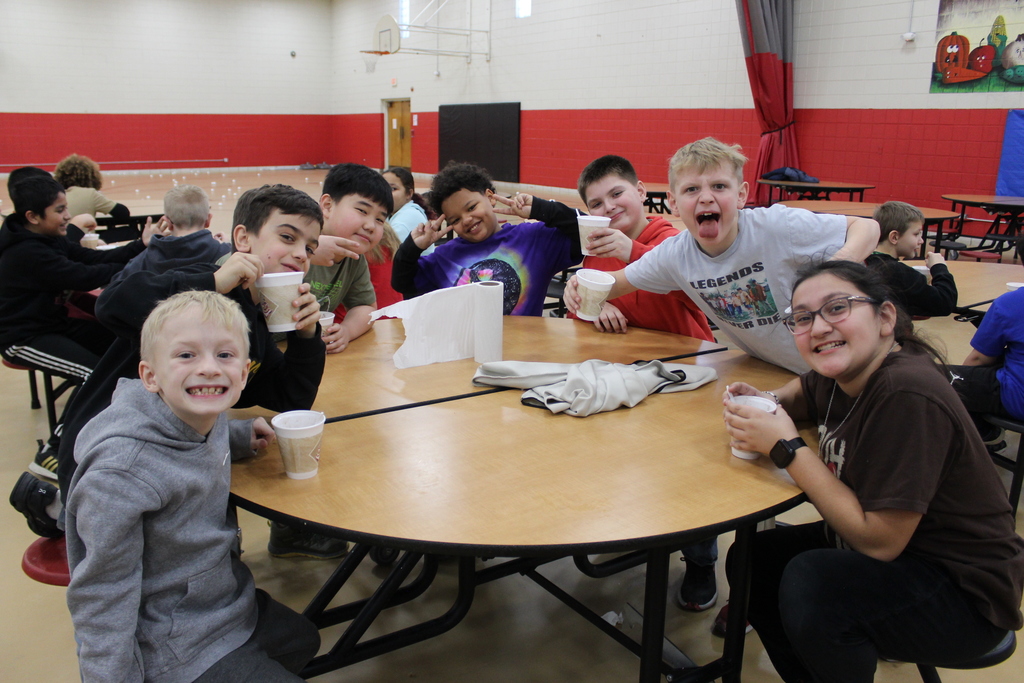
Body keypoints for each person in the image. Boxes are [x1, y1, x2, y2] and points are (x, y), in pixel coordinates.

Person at [721, 260, 1024, 683]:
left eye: (837, 308)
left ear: (885, 318)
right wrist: (768, 401)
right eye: (803, 318)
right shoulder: (847, 370)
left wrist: (787, 447)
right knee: (753, 559)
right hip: (908, 555)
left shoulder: (907, 392)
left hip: (964, 593)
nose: (820, 327)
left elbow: (879, 542)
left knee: (814, 586)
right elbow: (804, 392)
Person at [65, 290, 320, 682]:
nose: (209, 369)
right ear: (150, 376)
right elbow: (103, 596)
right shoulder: (120, 476)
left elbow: (199, 437)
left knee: (303, 639)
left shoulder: (198, 410)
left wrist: (237, 436)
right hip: (175, 644)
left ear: (244, 370)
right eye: (186, 355)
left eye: (225, 355)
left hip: (220, 600)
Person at [564, 137, 879, 374]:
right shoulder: (675, 256)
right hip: (782, 372)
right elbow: (610, 283)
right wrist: (577, 286)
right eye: (691, 190)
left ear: (741, 194)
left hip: (857, 366)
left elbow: (867, 228)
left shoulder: (777, 225)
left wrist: (841, 267)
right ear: (673, 202)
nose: (705, 198)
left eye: (718, 186)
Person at [0, 174, 156, 479]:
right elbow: (85, 276)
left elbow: (88, 258)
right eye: (59, 210)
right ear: (32, 216)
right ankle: (53, 449)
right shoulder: (27, 253)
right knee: (90, 375)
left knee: (122, 343)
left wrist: (140, 246)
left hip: (53, 323)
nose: (68, 216)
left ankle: (124, 422)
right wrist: (137, 265)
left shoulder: (46, 238)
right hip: (23, 337)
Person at [392, 161, 583, 316]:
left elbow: (586, 232)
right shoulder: (444, 257)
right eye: (455, 219)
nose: (467, 220)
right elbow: (402, 283)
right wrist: (413, 247)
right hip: (467, 356)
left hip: (522, 357)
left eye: (471, 207)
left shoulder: (532, 239)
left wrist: (541, 209)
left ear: (490, 197)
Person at [303, 163, 391, 353]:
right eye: (362, 211)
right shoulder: (294, 239)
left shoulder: (354, 257)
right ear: (327, 206)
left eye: (380, 220)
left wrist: (347, 331)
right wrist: (308, 251)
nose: (370, 226)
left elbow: (366, 306)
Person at [948, 287, 1024, 450]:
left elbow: (978, 359)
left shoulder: (1012, 302)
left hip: (1018, 400)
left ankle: (985, 432)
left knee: (940, 378)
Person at [110, 183, 230, 285]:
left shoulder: (147, 258)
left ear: (168, 223)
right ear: (208, 220)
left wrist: (148, 246)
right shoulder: (227, 254)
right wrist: (227, 247)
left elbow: (115, 288)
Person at [865, 201, 957, 317]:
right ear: (894, 237)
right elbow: (945, 303)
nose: (921, 241)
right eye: (916, 234)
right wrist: (939, 267)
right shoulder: (898, 272)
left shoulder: (865, 260)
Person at [52, 153, 131, 241]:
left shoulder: (54, 194)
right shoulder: (90, 193)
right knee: (129, 231)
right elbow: (123, 213)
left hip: (56, 240)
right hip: (81, 242)